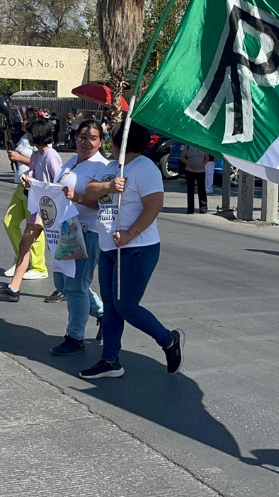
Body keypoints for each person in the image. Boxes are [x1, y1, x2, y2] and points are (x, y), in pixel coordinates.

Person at [78, 121, 183, 380]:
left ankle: (168, 340)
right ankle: (110, 359)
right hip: (108, 247)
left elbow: (154, 206)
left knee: (126, 305)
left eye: (111, 138)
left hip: (137, 248)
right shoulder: (113, 168)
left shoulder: (144, 169)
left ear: (118, 142)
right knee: (112, 307)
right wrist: (110, 187)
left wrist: (129, 234)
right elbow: (91, 191)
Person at [46, 120, 110, 353]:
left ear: (101, 142)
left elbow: (102, 205)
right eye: (83, 136)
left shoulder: (102, 167)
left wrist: (78, 198)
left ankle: (75, 337)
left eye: (93, 138)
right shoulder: (71, 162)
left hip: (86, 232)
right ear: (76, 138)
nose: (87, 142)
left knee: (75, 286)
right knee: (63, 282)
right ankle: (102, 313)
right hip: (64, 230)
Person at [0, 119, 62, 301]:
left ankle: (65, 288)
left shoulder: (51, 156)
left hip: (51, 209)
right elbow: (34, 173)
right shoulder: (38, 155)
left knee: (59, 250)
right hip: (38, 208)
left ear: (37, 134)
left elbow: (58, 182)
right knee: (25, 244)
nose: (28, 136)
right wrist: (28, 180)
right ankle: (14, 288)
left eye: (30, 133)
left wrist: (38, 185)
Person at [1, 114, 49, 281]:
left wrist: (19, 157)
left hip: (33, 189)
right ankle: (21, 258)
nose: (22, 122)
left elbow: (39, 162)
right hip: (21, 186)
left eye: (25, 120)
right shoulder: (24, 137)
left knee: (34, 227)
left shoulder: (40, 140)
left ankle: (38, 266)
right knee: (9, 222)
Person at [180, 144, 209, 214]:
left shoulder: (203, 146)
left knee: (201, 189)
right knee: (190, 189)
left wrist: (202, 165)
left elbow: (207, 158)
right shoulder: (188, 146)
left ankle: (203, 208)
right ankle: (190, 208)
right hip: (189, 170)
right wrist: (190, 164)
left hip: (201, 170)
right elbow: (182, 157)